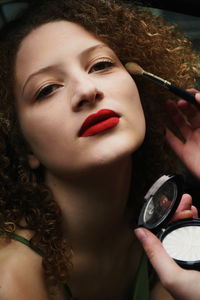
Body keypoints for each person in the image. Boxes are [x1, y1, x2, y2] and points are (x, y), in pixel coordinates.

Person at [0, 0, 199, 299]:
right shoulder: (11, 280)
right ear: (23, 145)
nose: (86, 90)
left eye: (101, 65)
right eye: (47, 89)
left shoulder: (172, 226)